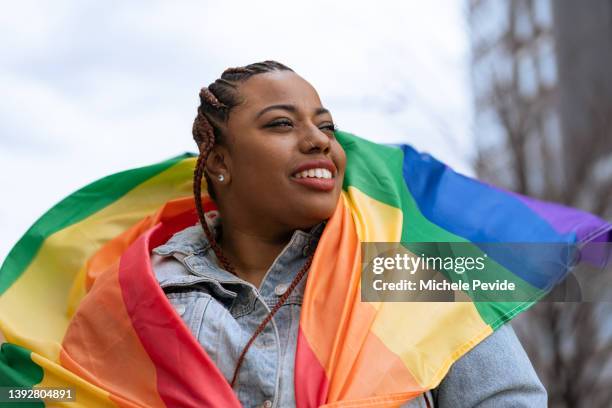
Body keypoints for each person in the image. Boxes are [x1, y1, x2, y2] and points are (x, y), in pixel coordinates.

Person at [150, 61, 547, 407]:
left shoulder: (413, 272)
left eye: (326, 126)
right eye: (282, 123)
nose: (320, 139)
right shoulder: (153, 288)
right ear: (220, 161)